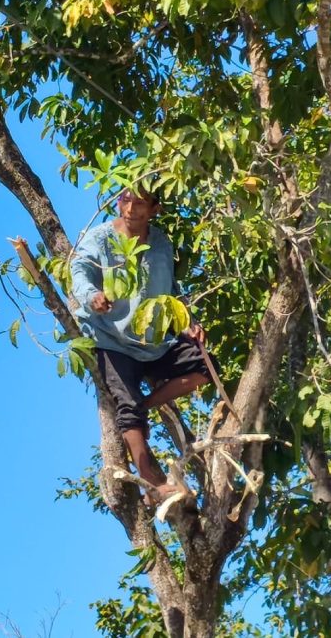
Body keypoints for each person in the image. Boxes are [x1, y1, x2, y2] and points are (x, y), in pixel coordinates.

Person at [70, 188, 213, 504]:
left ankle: (144, 405)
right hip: (111, 338)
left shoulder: (160, 242)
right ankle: (153, 484)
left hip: (155, 337)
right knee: (126, 403)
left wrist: (187, 321)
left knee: (205, 366)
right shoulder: (100, 238)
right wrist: (92, 296)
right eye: (126, 200)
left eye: (140, 202)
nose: (131, 208)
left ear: (154, 209)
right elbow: (79, 271)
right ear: (117, 202)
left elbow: (171, 288)